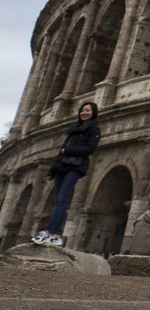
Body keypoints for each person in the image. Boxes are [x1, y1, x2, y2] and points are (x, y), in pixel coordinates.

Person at [32, 102, 101, 248]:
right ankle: (56, 235)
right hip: (62, 166)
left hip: (75, 166)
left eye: (88, 111)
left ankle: (50, 231)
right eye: (83, 110)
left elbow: (89, 149)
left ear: (94, 113)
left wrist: (67, 151)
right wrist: (54, 167)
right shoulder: (73, 129)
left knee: (63, 199)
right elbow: (61, 151)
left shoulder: (94, 129)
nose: (84, 113)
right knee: (59, 200)